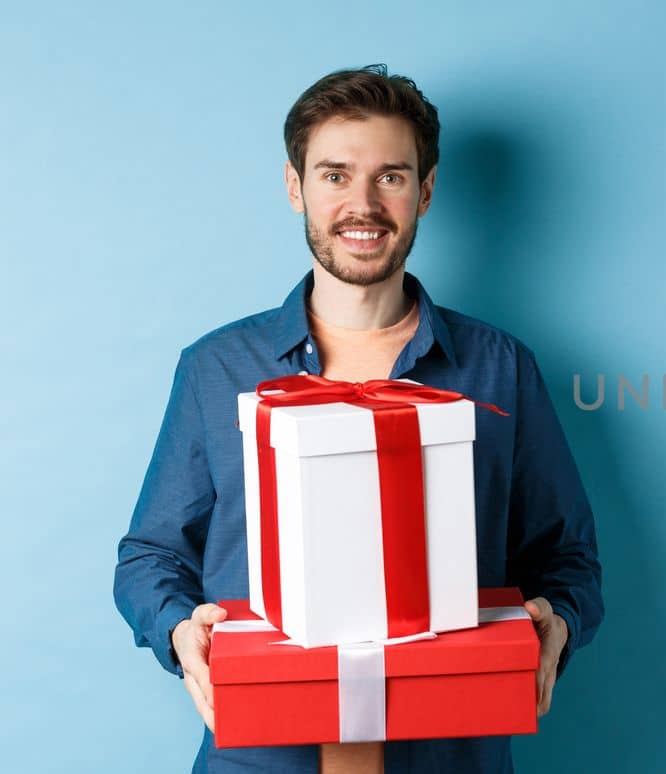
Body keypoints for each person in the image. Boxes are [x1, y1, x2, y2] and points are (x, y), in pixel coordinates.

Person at [112, 64, 603, 774]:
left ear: (425, 192)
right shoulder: (216, 368)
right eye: (336, 175)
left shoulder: (501, 369)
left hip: (449, 753)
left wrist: (560, 620)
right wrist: (178, 630)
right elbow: (149, 556)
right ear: (296, 188)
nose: (362, 204)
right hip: (263, 755)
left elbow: (567, 558)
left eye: (391, 177)